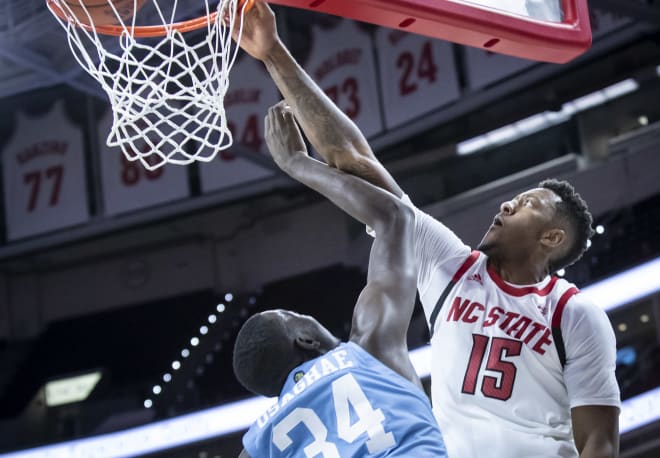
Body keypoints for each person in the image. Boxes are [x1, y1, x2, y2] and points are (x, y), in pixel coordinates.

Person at [234, 2, 621, 457]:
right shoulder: (454, 269)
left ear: (552, 238)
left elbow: (598, 440)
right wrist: (273, 53)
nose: (509, 202)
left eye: (529, 205)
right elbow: (358, 167)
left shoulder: (573, 313)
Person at [233, 103, 447, 457]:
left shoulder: (259, 443)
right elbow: (395, 218)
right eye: (301, 317)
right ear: (304, 338)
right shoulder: (368, 348)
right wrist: (297, 163)